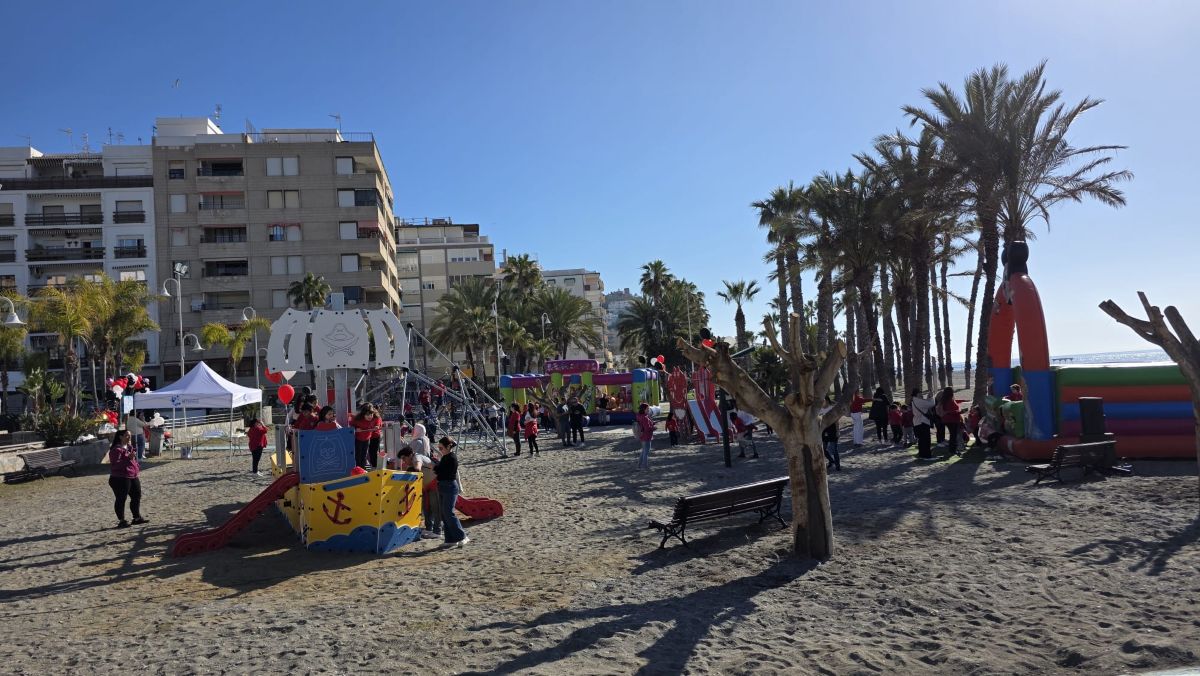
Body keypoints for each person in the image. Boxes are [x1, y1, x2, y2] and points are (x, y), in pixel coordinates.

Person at [431, 436, 468, 546]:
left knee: (449, 513)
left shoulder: (452, 458)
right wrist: (437, 467)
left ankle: (462, 536)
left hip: (450, 486)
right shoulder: (445, 457)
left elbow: (444, 473)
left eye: (441, 448)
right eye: (439, 448)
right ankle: (450, 539)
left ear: (448, 447)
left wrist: (435, 467)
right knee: (444, 514)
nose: (440, 450)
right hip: (443, 486)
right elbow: (440, 471)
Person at [398, 445, 441, 538]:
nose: (404, 461)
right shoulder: (413, 460)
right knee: (426, 508)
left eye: (404, 458)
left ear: (410, 455)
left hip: (435, 484)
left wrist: (410, 471)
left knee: (436, 508)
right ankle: (429, 528)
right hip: (427, 487)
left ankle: (437, 531)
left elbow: (418, 468)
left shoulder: (417, 457)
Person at [107, 430, 147, 528]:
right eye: (127, 435)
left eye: (130, 435)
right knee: (121, 498)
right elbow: (116, 464)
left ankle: (136, 518)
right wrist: (128, 458)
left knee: (136, 496)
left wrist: (136, 465)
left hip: (132, 475)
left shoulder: (129, 447)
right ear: (120, 437)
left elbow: (132, 460)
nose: (129, 437)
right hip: (119, 478)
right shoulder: (116, 450)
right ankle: (122, 520)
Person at [350, 404, 383, 469]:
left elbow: (378, 421)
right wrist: (356, 428)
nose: (370, 416)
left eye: (371, 414)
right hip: (358, 439)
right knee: (358, 455)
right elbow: (351, 425)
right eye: (367, 415)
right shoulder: (358, 420)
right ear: (363, 414)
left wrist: (377, 426)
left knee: (364, 455)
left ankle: (362, 468)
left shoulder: (375, 418)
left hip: (367, 439)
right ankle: (358, 468)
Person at [910, 388, 935, 460]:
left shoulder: (915, 400)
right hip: (922, 422)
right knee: (926, 440)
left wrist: (928, 397)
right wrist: (931, 397)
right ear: (916, 394)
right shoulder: (918, 401)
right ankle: (927, 456)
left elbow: (925, 404)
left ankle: (922, 455)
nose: (921, 394)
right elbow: (931, 404)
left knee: (921, 441)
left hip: (918, 423)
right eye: (920, 393)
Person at [820, 398, 841, 471]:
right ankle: (831, 461)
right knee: (823, 449)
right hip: (823, 430)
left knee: (834, 449)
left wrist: (837, 431)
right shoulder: (819, 410)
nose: (822, 402)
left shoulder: (832, 409)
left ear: (827, 400)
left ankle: (837, 465)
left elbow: (836, 421)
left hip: (832, 430)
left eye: (823, 400)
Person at [941, 387, 962, 456]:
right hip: (952, 420)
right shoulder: (949, 400)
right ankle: (952, 450)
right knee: (953, 435)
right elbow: (951, 411)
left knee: (953, 435)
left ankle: (952, 449)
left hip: (948, 420)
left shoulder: (945, 400)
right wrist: (960, 412)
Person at [635, 402, 655, 470]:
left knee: (643, 451)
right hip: (647, 436)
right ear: (644, 409)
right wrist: (654, 428)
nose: (648, 410)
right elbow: (647, 428)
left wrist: (652, 423)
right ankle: (644, 466)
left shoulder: (639, 416)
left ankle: (639, 466)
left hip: (642, 435)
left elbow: (643, 425)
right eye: (647, 409)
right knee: (646, 452)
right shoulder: (645, 417)